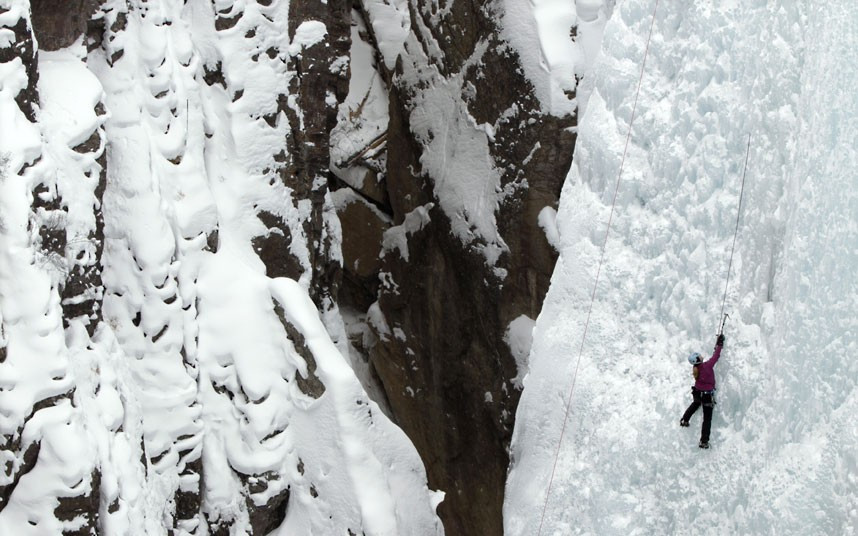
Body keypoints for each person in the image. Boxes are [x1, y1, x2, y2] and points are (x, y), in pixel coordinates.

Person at [680, 333, 725, 448]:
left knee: (695, 404)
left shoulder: (696, 369)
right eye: (699, 356)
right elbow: (716, 356)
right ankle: (704, 441)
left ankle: (684, 420)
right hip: (707, 395)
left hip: (697, 392)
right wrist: (719, 344)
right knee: (707, 418)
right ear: (697, 359)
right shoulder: (708, 366)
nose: (700, 356)